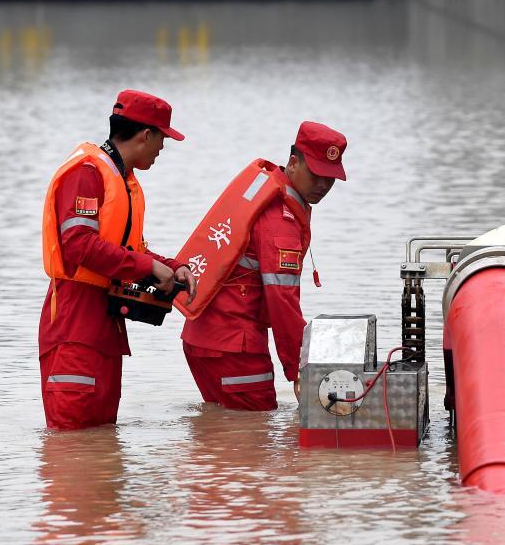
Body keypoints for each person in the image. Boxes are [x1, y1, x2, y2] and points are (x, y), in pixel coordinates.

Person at [38, 89, 197, 430]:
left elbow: (130, 250)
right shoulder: (87, 172)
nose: (162, 148)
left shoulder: (122, 180)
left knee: (100, 447)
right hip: (74, 325)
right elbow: (78, 245)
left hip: (105, 327)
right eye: (163, 139)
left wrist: (171, 265)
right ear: (146, 135)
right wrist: (147, 267)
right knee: (73, 444)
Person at [178, 121, 347, 410]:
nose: (323, 185)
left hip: (202, 338)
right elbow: (282, 302)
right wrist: (299, 370)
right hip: (235, 346)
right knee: (252, 443)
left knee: (225, 436)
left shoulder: (270, 195)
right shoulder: (280, 221)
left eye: (330, 178)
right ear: (293, 163)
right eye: (317, 174)